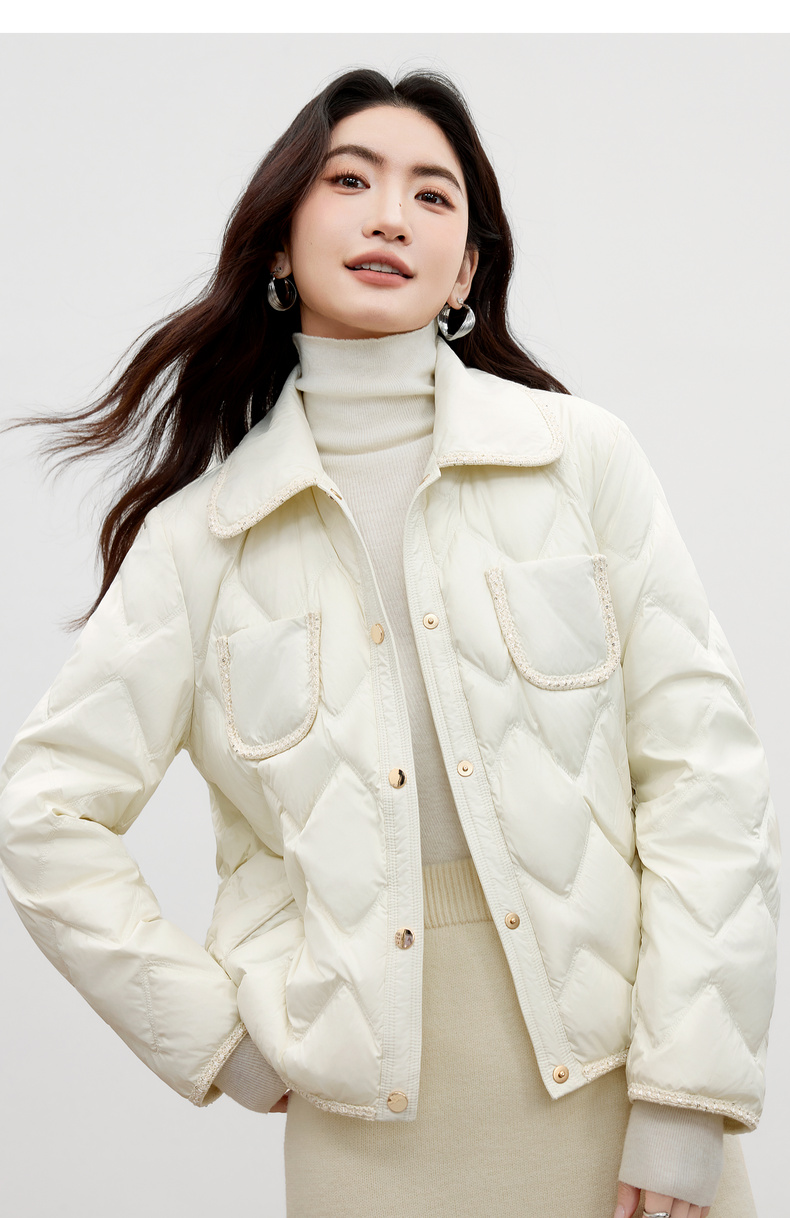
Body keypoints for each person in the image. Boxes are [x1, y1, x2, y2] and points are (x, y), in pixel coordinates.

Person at [0, 66, 779, 1218]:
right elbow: (45, 812)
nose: (389, 217)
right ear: (279, 243)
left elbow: (703, 777)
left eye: (431, 195)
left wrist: (687, 1098)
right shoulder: (201, 543)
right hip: (365, 1139)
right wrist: (216, 1038)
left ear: (464, 269)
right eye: (349, 181)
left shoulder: (579, 461)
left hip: (626, 1096)